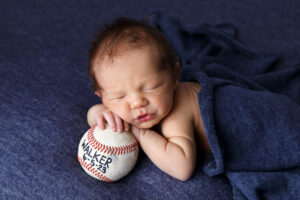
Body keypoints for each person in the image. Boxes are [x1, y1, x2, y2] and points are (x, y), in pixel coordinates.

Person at [86, 17, 211, 181]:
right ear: (102, 97)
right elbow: (96, 116)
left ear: (174, 76)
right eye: (119, 96)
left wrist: (140, 133)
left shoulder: (176, 113)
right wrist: (98, 113)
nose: (137, 103)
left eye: (150, 87)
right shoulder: (122, 106)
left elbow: (182, 169)